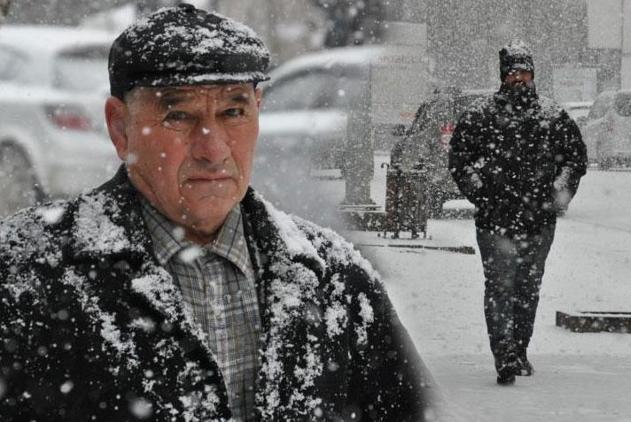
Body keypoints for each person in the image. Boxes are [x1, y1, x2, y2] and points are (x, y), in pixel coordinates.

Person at [0, 4, 432, 421]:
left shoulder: (335, 278)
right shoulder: (24, 273)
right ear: (120, 127)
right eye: (179, 114)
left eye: (233, 112)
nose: (213, 149)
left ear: (258, 113)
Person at [447, 41, 587, 385]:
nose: (519, 79)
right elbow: (460, 161)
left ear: (534, 75)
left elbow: (576, 160)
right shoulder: (480, 116)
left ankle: (519, 349)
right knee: (499, 286)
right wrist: (481, 192)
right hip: (495, 222)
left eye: (524, 72)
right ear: (503, 76)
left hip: (538, 222)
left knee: (527, 288)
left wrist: (558, 193)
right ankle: (504, 353)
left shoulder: (553, 116)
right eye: (513, 73)